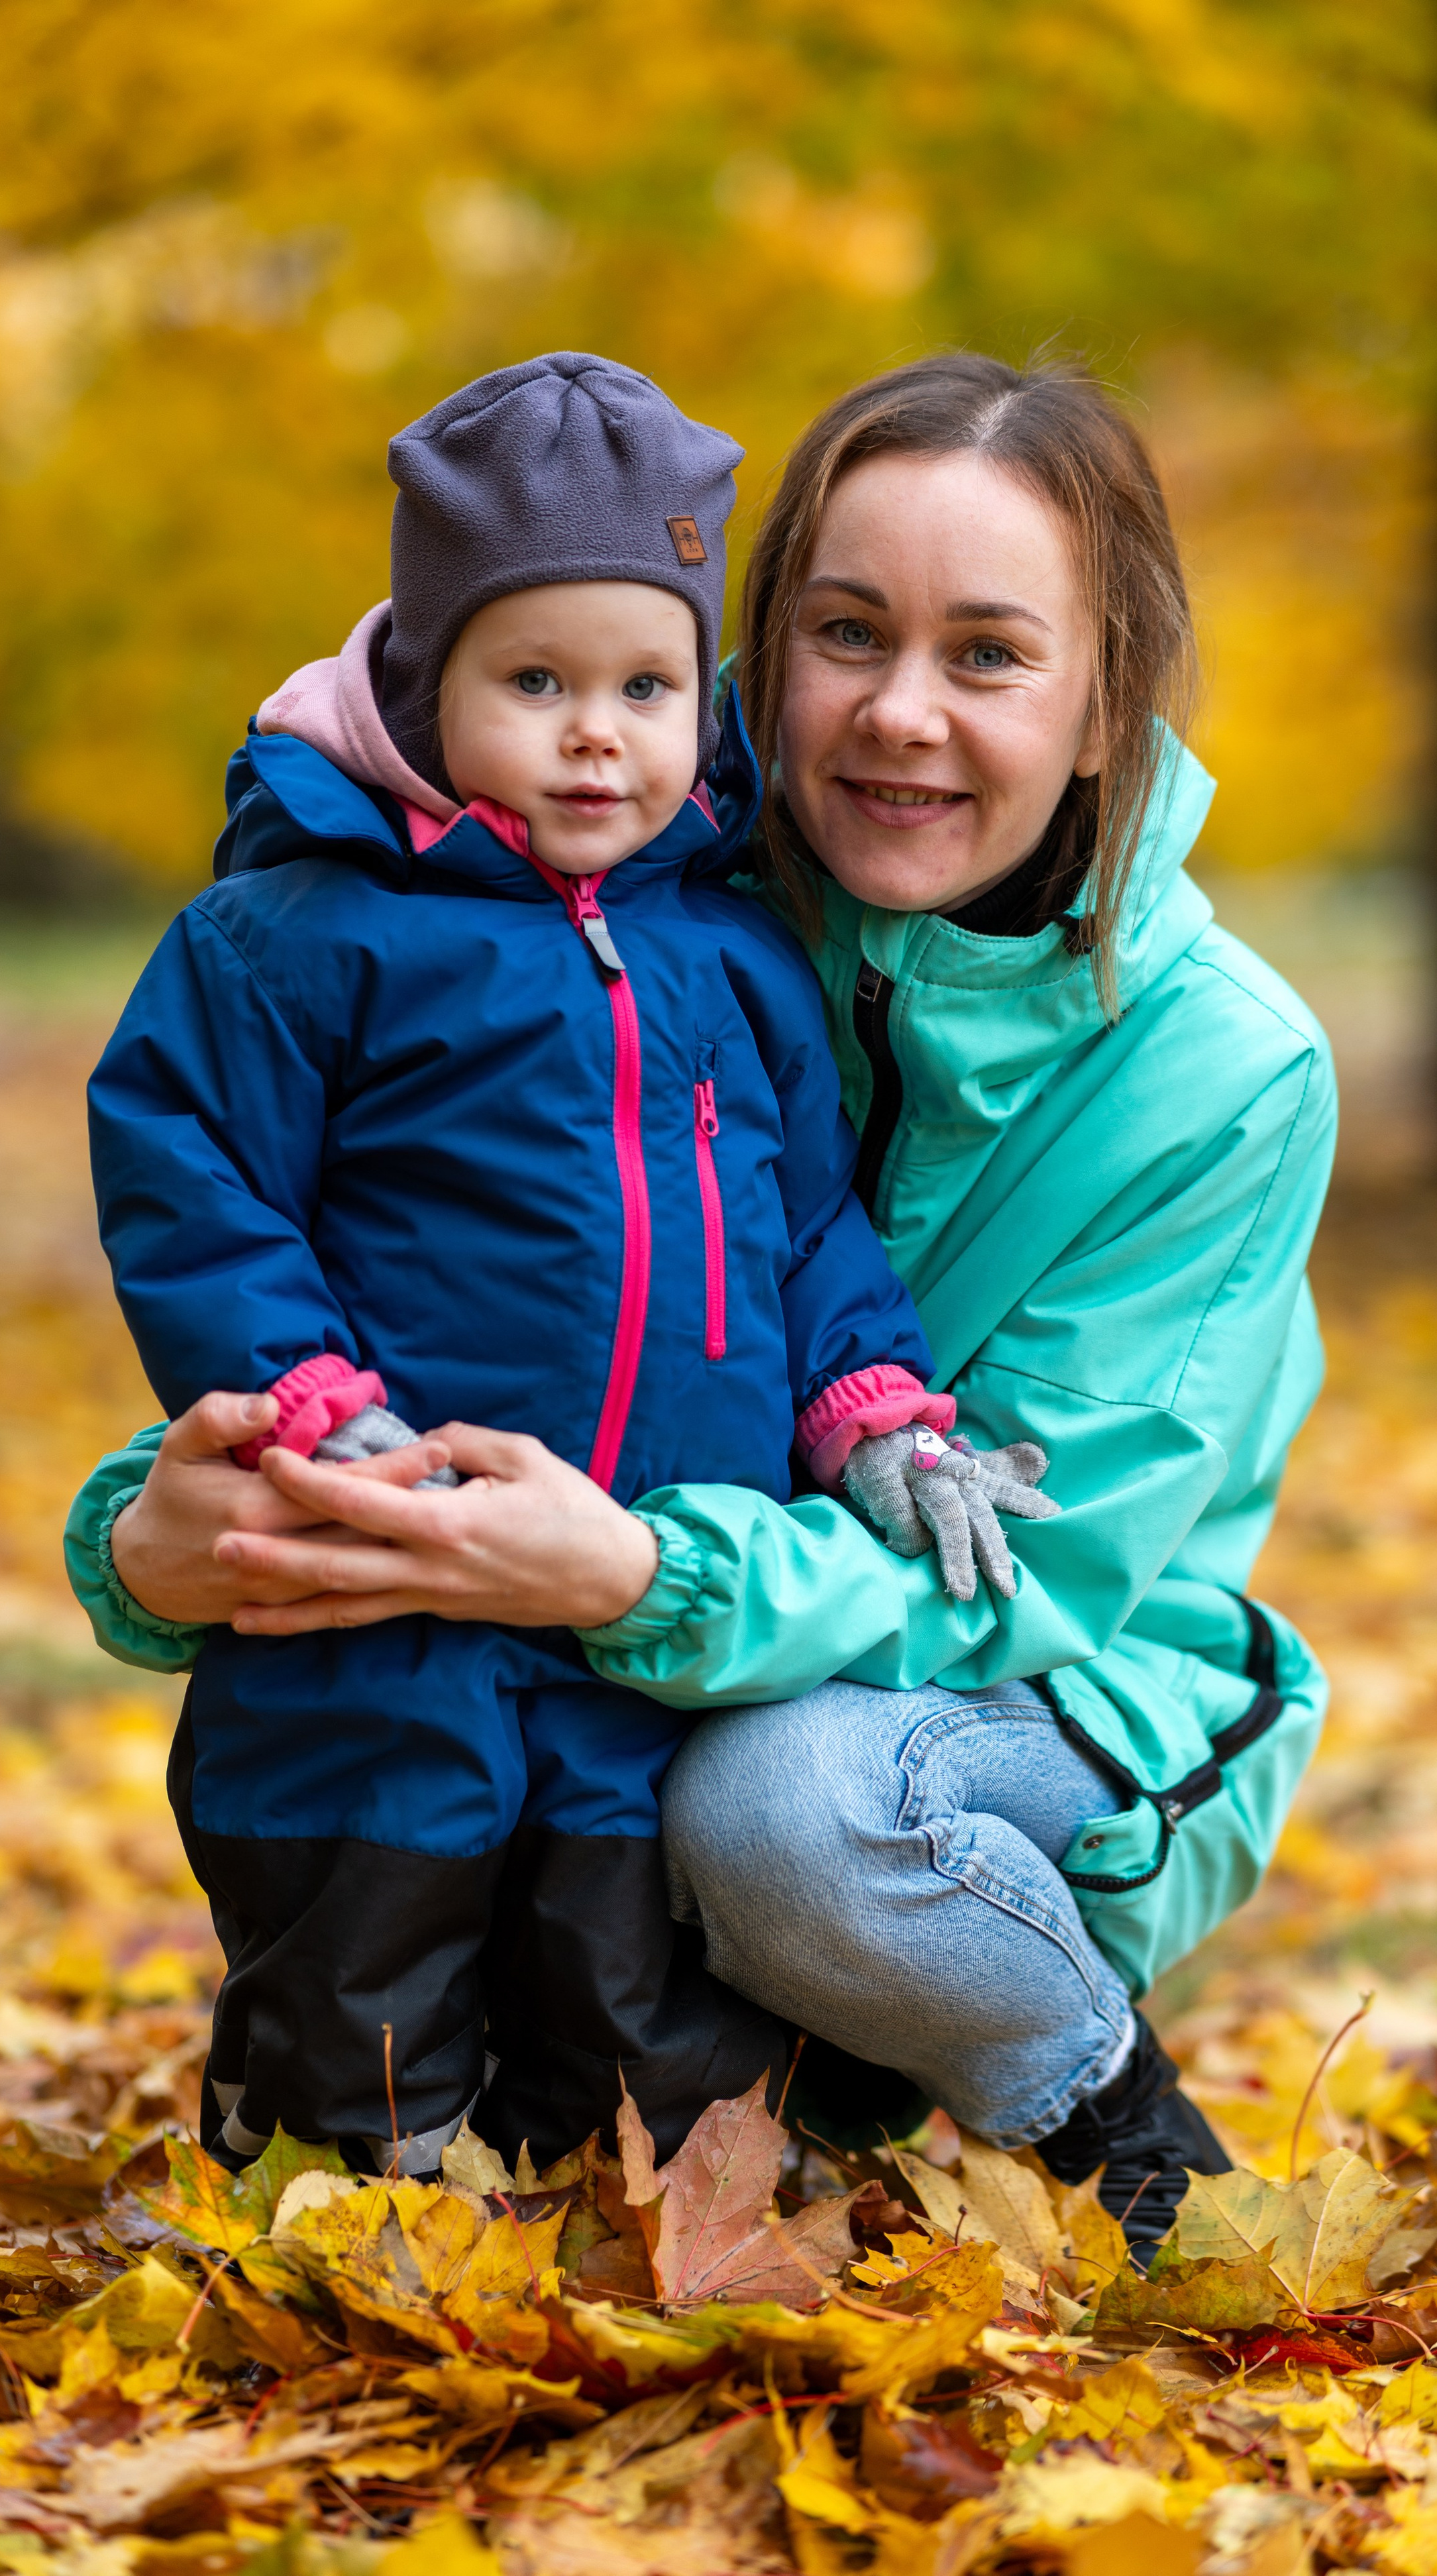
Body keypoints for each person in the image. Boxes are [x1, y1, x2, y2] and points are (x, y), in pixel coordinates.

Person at [68, 352, 1336, 2251]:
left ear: (1105, 708)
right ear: (760, 652)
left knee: (772, 1815)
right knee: (520, 1881)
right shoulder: (647, 897)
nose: (901, 712)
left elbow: (1033, 1569)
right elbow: (408, 1281)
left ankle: (1101, 2107)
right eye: (848, 632)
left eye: (991, 655)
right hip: (638, 1638)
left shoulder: (1222, 1068)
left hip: (1036, 1691)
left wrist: (629, 1574)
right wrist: (143, 1544)